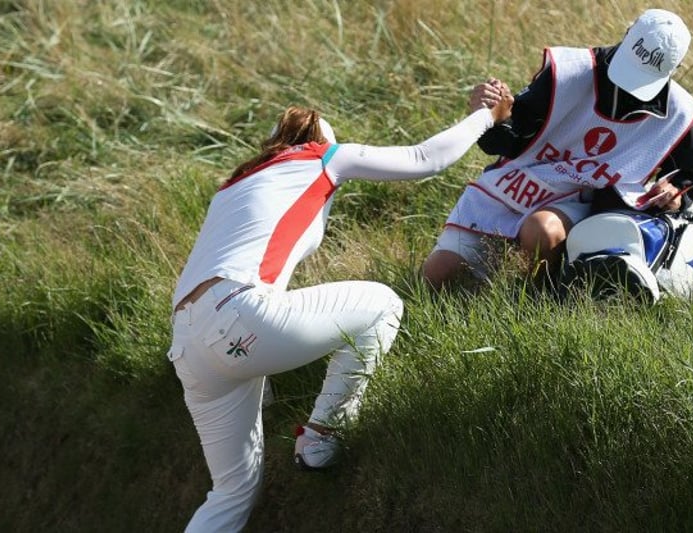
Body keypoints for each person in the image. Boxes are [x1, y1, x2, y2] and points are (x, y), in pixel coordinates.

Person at [168, 88, 512, 532]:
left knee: (232, 493)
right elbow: (427, 158)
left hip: (188, 345)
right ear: (316, 141)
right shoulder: (323, 157)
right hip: (238, 316)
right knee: (382, 304)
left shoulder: (233, 186)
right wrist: (487, 117)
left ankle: (305, 437)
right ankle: (322, 439)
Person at [422, 8, 693, 289]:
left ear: (676, 67)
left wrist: (676, 192)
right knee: (436, 277)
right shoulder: (568, 71)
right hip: (515, 186)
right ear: (627, 34)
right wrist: (489, 117)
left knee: (541, 231)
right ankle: (498, 276)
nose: (629, 88)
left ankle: (541, 294)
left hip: (587, 202)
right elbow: (510, 142)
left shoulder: (679, 112)